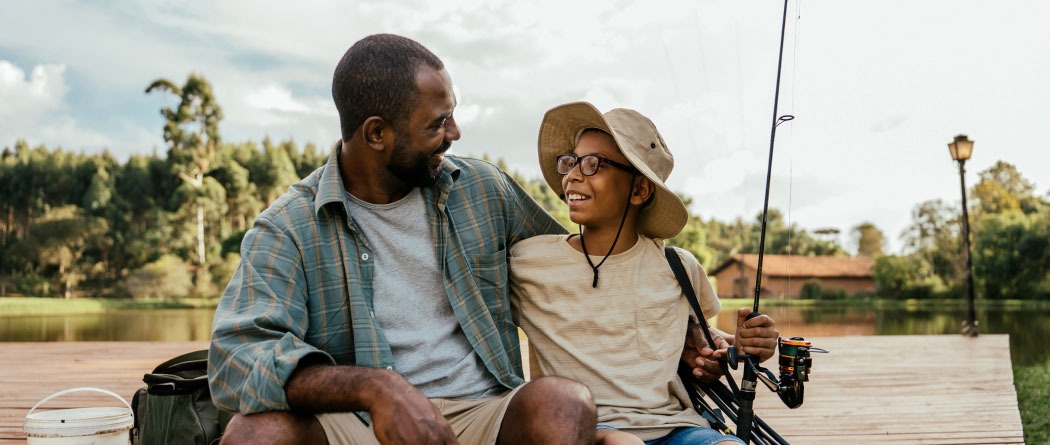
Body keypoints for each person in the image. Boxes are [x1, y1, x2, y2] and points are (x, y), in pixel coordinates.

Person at [207, 34, 599, 445]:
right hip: (360, 423)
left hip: (484, 412)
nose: (455, 132)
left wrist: (672, 282)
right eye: (437, 124)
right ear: (377, 134)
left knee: (564, 404)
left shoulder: (485, 188)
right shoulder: (288, 226)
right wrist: (377, 388)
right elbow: (238, 358)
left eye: (451, 115)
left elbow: (581, 268)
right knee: (255, 434)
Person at [509, 102, 780, 445]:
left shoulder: (677, 266)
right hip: (586, 430)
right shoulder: (527, 262)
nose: (573, 175)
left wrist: (744, 345)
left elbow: (699, 339)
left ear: (639, 190)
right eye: (571, 162)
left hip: (678, 427)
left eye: (593, 164)